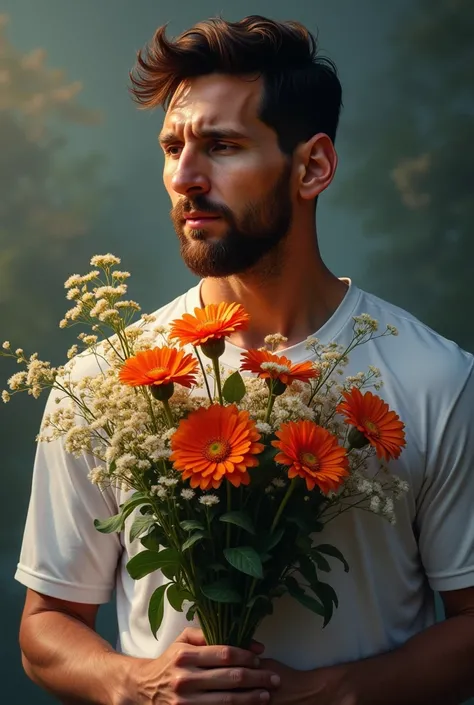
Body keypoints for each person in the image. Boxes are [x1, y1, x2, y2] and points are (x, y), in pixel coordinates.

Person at [15, 15, 474, 705]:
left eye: (222, 146)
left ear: (312, 166)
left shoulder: (435, 377)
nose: (186, 177)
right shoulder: (100, 384)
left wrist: (336, 692)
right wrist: (135, 681)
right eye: (173, 148)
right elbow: (45, 626)